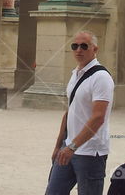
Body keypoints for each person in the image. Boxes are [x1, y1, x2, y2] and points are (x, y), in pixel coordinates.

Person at [45, 31, 114, 195]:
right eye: (75, 46)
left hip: (90, 152)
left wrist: (73, 147)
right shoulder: (75, 74)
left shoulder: (101, 77)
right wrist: (59, 146)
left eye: (84, 46)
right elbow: (70, 112)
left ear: (95, 49)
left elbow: (98, 118)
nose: (79, 50)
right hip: (68, 147)